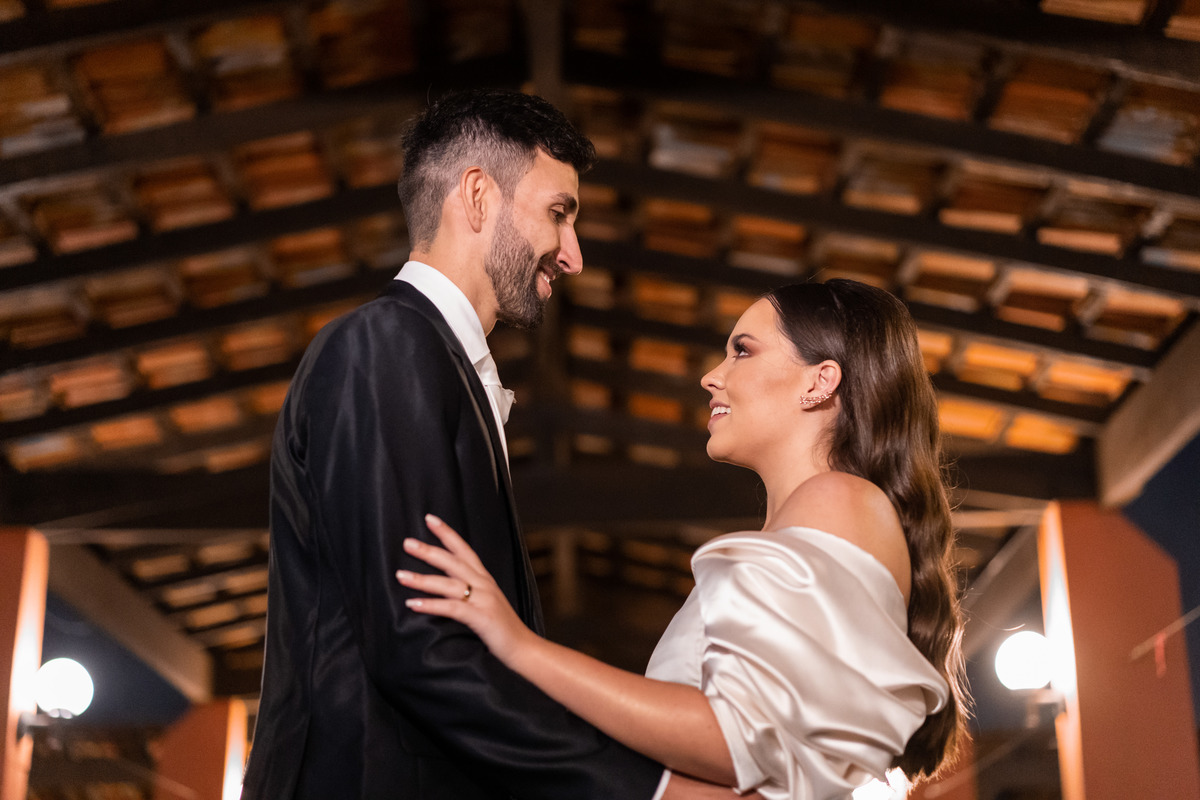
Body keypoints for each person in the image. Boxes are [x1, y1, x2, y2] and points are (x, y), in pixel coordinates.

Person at [241, 88, 717, 799]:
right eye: (560, 214)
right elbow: (420, 647)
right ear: (476, 196)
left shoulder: (436, 363)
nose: (574, 256)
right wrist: (650, 790)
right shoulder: (386, 344)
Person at [397, 278, 971, 799]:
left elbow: (736, 739)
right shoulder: (818, 520)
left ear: (820, 383)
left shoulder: (837, 500)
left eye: (742, 350)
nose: (711, 376)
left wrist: (519, 647)